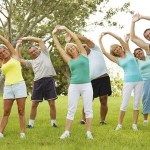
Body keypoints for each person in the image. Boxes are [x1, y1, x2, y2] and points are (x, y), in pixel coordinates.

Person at [52, 25, 93, 139]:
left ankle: (88, 132)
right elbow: (59, 48)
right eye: (69, 49)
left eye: (72, 47)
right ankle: (66, 132)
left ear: (76, 48)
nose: (71, 49)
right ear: (68, 52)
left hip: (86, 85)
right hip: (74, 86)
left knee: (88, 109)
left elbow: (75, 38)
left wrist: (65, 28)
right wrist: (54, 34)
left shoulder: (84, 55)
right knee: (71, 109)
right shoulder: (69, 60)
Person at [99, 31, 143, 131]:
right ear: (114, 53)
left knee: (136, 103)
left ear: (120, 47)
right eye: (115, 50)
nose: (117, 49)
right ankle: (119, 124)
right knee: (124, 103)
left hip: (139, 80)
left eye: (117, 47)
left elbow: (119, 38)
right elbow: (104, 52)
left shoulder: (128, 51)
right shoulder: (117, 60)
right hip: (128, 81)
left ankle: (134, 125)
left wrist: (109, 33)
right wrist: (100, 39)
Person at [67, 34, 112, 125]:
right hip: (90, 81)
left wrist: (74, 36)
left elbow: (86, 40)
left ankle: (102, 120)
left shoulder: (96, 50)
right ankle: (83, 119)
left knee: (103, 99)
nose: (84, 47)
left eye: (85, 46)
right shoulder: (82, 57)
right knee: (88, 100)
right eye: (82, 47)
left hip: (103, 78)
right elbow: (68, 54)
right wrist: (67, 42)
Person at [15, 37, 58, 128]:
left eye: (34, 50)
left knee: (51, 103)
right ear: (30, 55)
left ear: (38, 49)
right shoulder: (31, 62)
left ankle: (53, 123)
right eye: (31, 53)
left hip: (49, 80)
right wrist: (18, 46)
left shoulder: (45, 53)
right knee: (34, 104)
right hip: (38, 82)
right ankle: (30, 124)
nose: (33, 53)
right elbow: (19, 59)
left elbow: (39, 40)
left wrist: (25, 38)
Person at [0, 35, 27, 139]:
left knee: (21, 110)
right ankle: (0, 132)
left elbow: (6, 41)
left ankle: (22, 133)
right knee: (6, 112)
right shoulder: (2, 62)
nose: (3, 53)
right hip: (8, 88)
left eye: (4, 51)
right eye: (1, 53)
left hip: (19, 85)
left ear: (7, 50)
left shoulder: (15, 56)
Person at [130, 13, 150, 126]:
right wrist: (133, 22)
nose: (148, 36)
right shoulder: (148, 48)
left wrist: (142, 16)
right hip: (146, 79)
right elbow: (133, 38)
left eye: (149, 34)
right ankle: (146, 119)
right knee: (146, 97)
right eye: (147, 36)